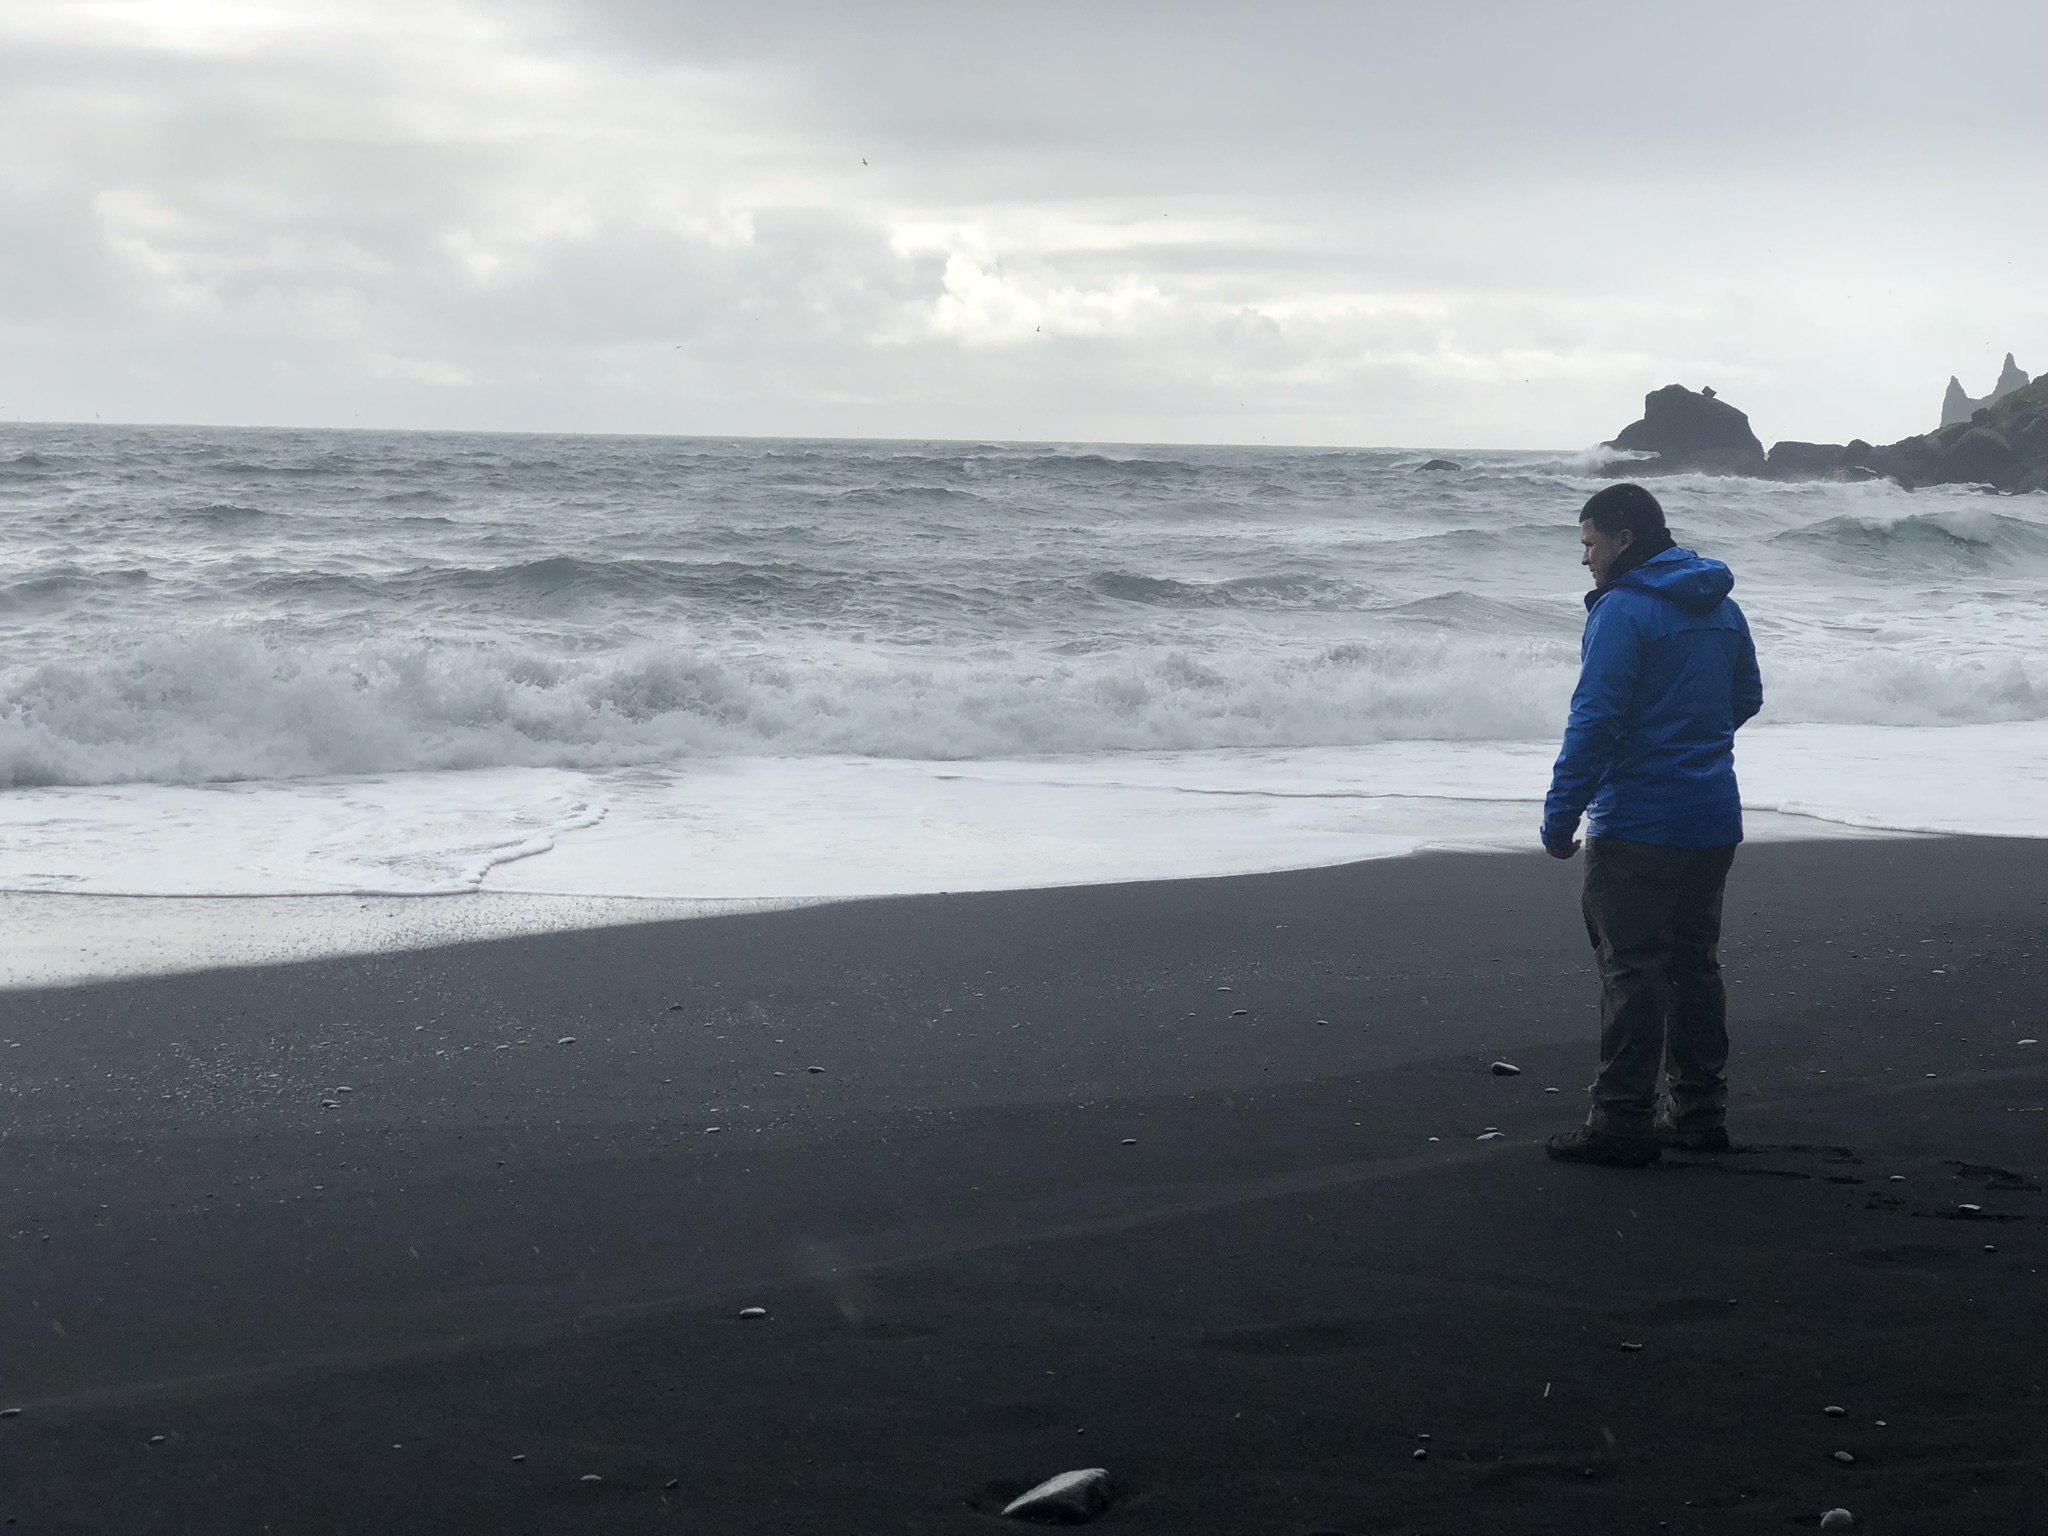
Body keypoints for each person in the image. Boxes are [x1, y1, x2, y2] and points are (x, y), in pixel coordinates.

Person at [1540, 483, 1763, 1168]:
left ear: (1623, 539)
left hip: (1638, 819)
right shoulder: (1721, 608)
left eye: (1588, 542)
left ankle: (1621, 1121)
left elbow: (1596, 718)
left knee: (1632, 970)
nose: (1584, 559)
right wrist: (1691, 743)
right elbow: (1746, 697)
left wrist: (1561, 811)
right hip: (1712, 814)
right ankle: (1699, 1112)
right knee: (1695, 966)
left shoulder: (1625, 611)